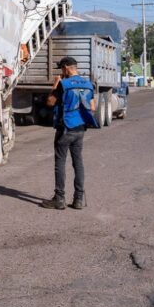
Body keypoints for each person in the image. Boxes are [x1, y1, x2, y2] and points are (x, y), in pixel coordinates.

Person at [42, 56, 98, 210]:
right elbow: (92, 107)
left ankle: (59, 199)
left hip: (65, 128)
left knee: (60, 163)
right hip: (80, 129)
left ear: (66, 67)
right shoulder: (88, 84)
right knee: (78, 163)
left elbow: (49, 103)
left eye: (61, 68)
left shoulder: (64, 84)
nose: (61, 71)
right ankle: (78, 199)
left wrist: (55, 85)